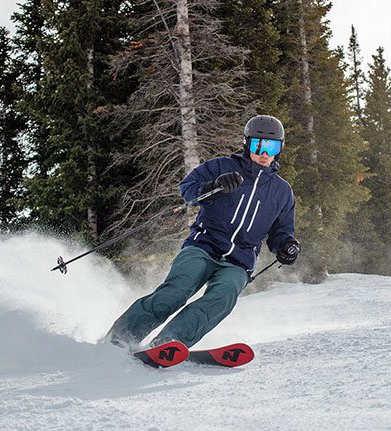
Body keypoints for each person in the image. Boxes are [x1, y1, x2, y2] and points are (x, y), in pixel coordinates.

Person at [105, 115, 300, 350]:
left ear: (279, 148)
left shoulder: (282, 191)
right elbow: (188, 188)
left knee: (222, 298)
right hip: (203, 246)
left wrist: (286, 245)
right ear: (247, 143)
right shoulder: (222, 167)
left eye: (271, 146)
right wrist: (212, 187)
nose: (264, 152)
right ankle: (120, 338)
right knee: (175, 292)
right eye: (258, 144)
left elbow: (281, 230)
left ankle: (169, 343)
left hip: (239, 261)